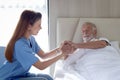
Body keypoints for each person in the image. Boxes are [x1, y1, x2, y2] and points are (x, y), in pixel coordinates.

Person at [0, 10, 72, 80]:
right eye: (39, 25)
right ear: (29, 26)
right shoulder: (20, 45)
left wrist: (59, 49)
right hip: (8, 77)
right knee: (43, 79)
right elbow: (41, 66)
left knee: (48, 77)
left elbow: (43, 55)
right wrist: (62, 54)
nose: (41, 28)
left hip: (19, 75)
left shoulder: (31, 39)